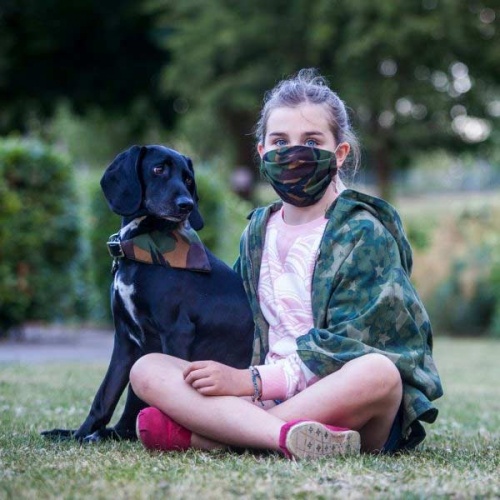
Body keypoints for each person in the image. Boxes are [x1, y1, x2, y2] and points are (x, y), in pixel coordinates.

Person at [129, 68, 443, 459]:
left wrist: (249, 382)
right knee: (148, 368)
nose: (293, 153)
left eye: (311, 141)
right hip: (262, 397)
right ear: (262, 152)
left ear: (339, 153)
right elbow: (238, 320)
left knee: (378, 374)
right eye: (280, 141)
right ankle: (287, 437)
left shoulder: (363, 231)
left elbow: (355, 346)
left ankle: (227, 436)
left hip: (344, 398)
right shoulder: (259, 230)